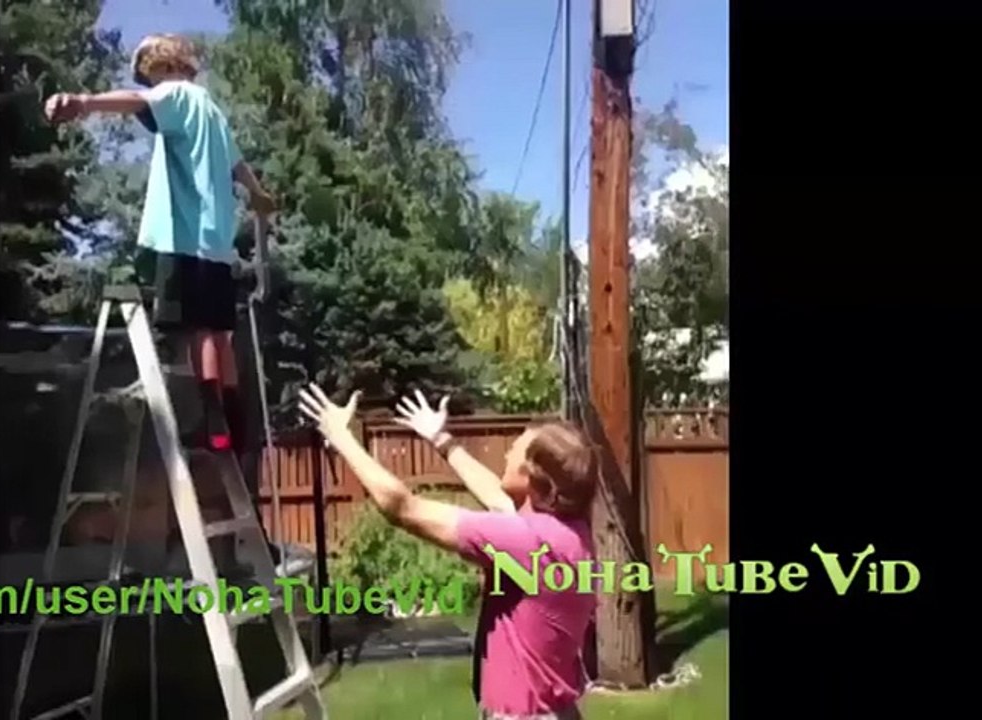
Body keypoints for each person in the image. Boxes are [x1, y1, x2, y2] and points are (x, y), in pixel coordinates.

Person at [298, 386, 598, 720]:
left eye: (516, 448)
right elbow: (498, 500)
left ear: (532, 475)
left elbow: (404, 508)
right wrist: (442, 440)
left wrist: (341, 437)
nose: (507, 453)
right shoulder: (568, 532)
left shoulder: (527, 542)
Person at [44, 33, 276, 453]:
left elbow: (136, 101)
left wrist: (83, 102)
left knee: (198, 330)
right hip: (218, 242)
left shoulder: (174, 93)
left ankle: (213, 420)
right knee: (221, 333)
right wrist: (258, 195)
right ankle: (235, 422)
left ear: (167, 67)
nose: (150, 86)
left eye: (151, 76)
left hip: (186, 236)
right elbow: (238, 164)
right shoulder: (213, 111)